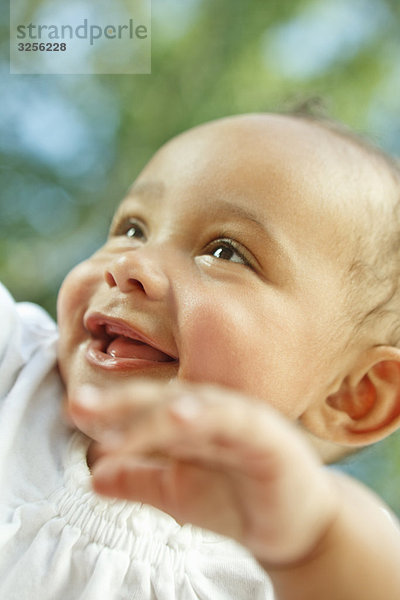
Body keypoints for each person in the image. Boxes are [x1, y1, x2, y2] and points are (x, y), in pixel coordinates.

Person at [1, 112, 400, 600]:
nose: (131, 264)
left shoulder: (292, 570)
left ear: (353, 394)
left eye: (226, 251)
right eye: (133, 228)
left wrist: (314, 538)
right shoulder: (17, 369)